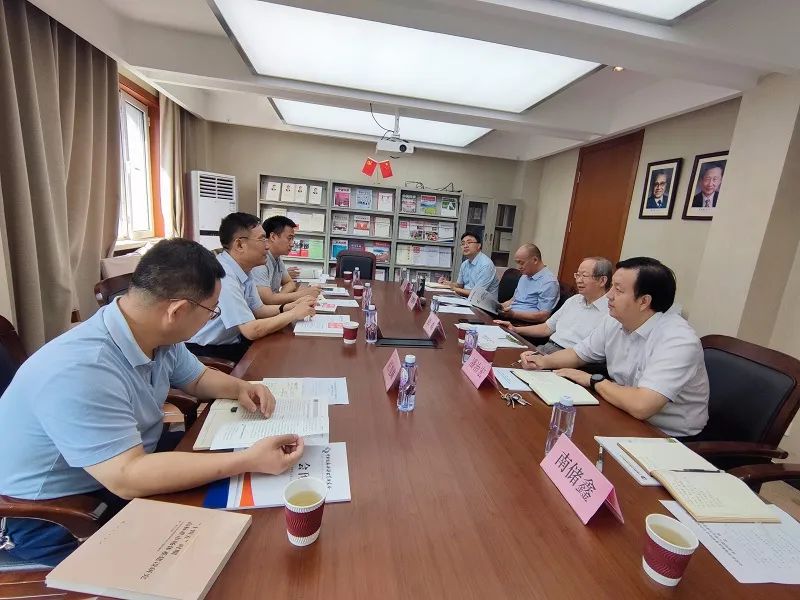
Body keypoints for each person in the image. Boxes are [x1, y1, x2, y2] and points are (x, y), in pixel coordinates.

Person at [0, 239, 305, 566]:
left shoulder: (154, 333)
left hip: (129, 460)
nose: (211, 320)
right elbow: (127, 477)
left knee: (236, 500)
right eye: (211, 311)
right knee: (218, 556)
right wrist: (247, 459)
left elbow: (197, 378)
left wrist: (242, 387)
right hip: (58, 514)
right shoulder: (82, 368)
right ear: (177, 311)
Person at [520, 257, 709, 438]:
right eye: (611, 287)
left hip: (667, 436)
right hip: (622, 413)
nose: (609, 295)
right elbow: (579, 354)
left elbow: (642, 405)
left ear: (644, 301)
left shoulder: (678, 340)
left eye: (618, 290)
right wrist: (543, 361)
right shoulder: (614, 320)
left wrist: (593, 380)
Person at [186, 213, 315, 363]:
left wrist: (291, 306)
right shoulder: (224, 275)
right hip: (207, 352)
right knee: (283, 359)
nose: (267, 246)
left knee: (285, 354)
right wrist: (293, 314)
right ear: (240, 245)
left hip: (232, 341)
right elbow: (251, 330)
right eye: (262, 239)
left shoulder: (244, 269)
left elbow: (258, 310)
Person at [494, 257, 611, 354]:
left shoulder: (609, 312)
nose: (578, 280)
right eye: (577, 275)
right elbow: (547, 328)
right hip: (547, 348)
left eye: (584, 276)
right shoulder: (574, 300)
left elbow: (591, 354)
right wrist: (515, 329)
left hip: (570, 358)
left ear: (602, 281)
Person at [251, 215, 321, 305]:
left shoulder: (277, 258)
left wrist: (278, 297)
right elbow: (268, 300)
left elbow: (289, 283)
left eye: (293, 239)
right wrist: (302, 294)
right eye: (289, 238)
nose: (292, 244)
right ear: (273, 237)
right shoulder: (260, 260)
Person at [500, 243, 559, 323]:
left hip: (524, 323)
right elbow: (513, 300)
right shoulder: (525, 275)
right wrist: (498, 306)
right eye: (517, 263)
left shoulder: (549, 282)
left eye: (521, 263)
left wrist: (513, 314)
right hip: (510, 316)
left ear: (535, 260)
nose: (519, 267)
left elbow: (543, 316)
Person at [438, 232, 499, 298]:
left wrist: (454, 288)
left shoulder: (486, 265)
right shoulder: (465, 264)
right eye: (463, 243)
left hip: (482, 302)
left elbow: (477, 293)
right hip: (466, 298)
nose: (465, 246)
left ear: (479, 246)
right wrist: (448, 283)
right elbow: (460, 285)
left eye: (469, 242)